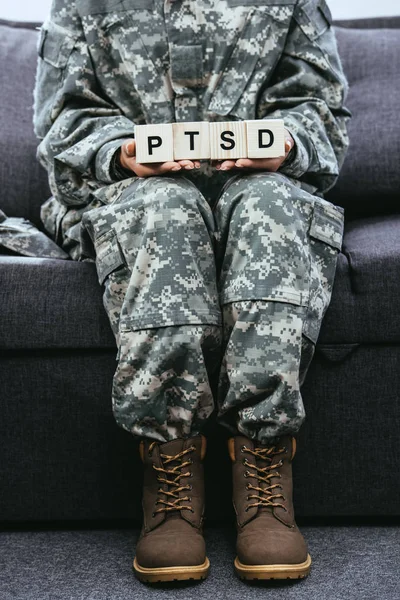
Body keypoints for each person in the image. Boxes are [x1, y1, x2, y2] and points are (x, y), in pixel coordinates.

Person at [33, 0, 350, 584]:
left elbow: (323, 112)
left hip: (256, 186)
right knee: (168, 206)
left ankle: (264, 459)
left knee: (270, 204)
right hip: (132, 193)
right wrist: (121, 152)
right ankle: (170, 464)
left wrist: (285, 144)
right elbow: (63, 122)